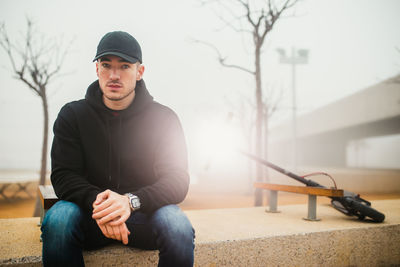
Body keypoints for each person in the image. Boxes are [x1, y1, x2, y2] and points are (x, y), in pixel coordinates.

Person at [41, 31, 195, 267]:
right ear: (96, 69)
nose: (114, 75)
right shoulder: (72, 115)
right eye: (106, 65)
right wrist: (105, 206)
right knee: (59, 220)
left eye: (124, 66)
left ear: (139, 72)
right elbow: (63, 176)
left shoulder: (164, 118)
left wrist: (130, 201)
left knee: (177, 226)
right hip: (90, 215)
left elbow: (177, 180)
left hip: (143, 214)